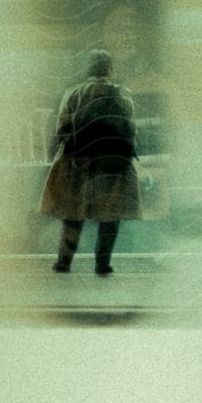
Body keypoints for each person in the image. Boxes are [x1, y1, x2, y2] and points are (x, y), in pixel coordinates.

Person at [40, 48, 142, 275]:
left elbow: (61, 128)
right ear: (110, 70)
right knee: (109, 217)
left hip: (79, 162)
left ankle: (64, 263)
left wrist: (54, 157)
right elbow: (131, 129)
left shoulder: (74, 93)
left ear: (88, 70)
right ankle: (103, 264)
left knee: (73, 217)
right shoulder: (122, 94)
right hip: (112, 165)